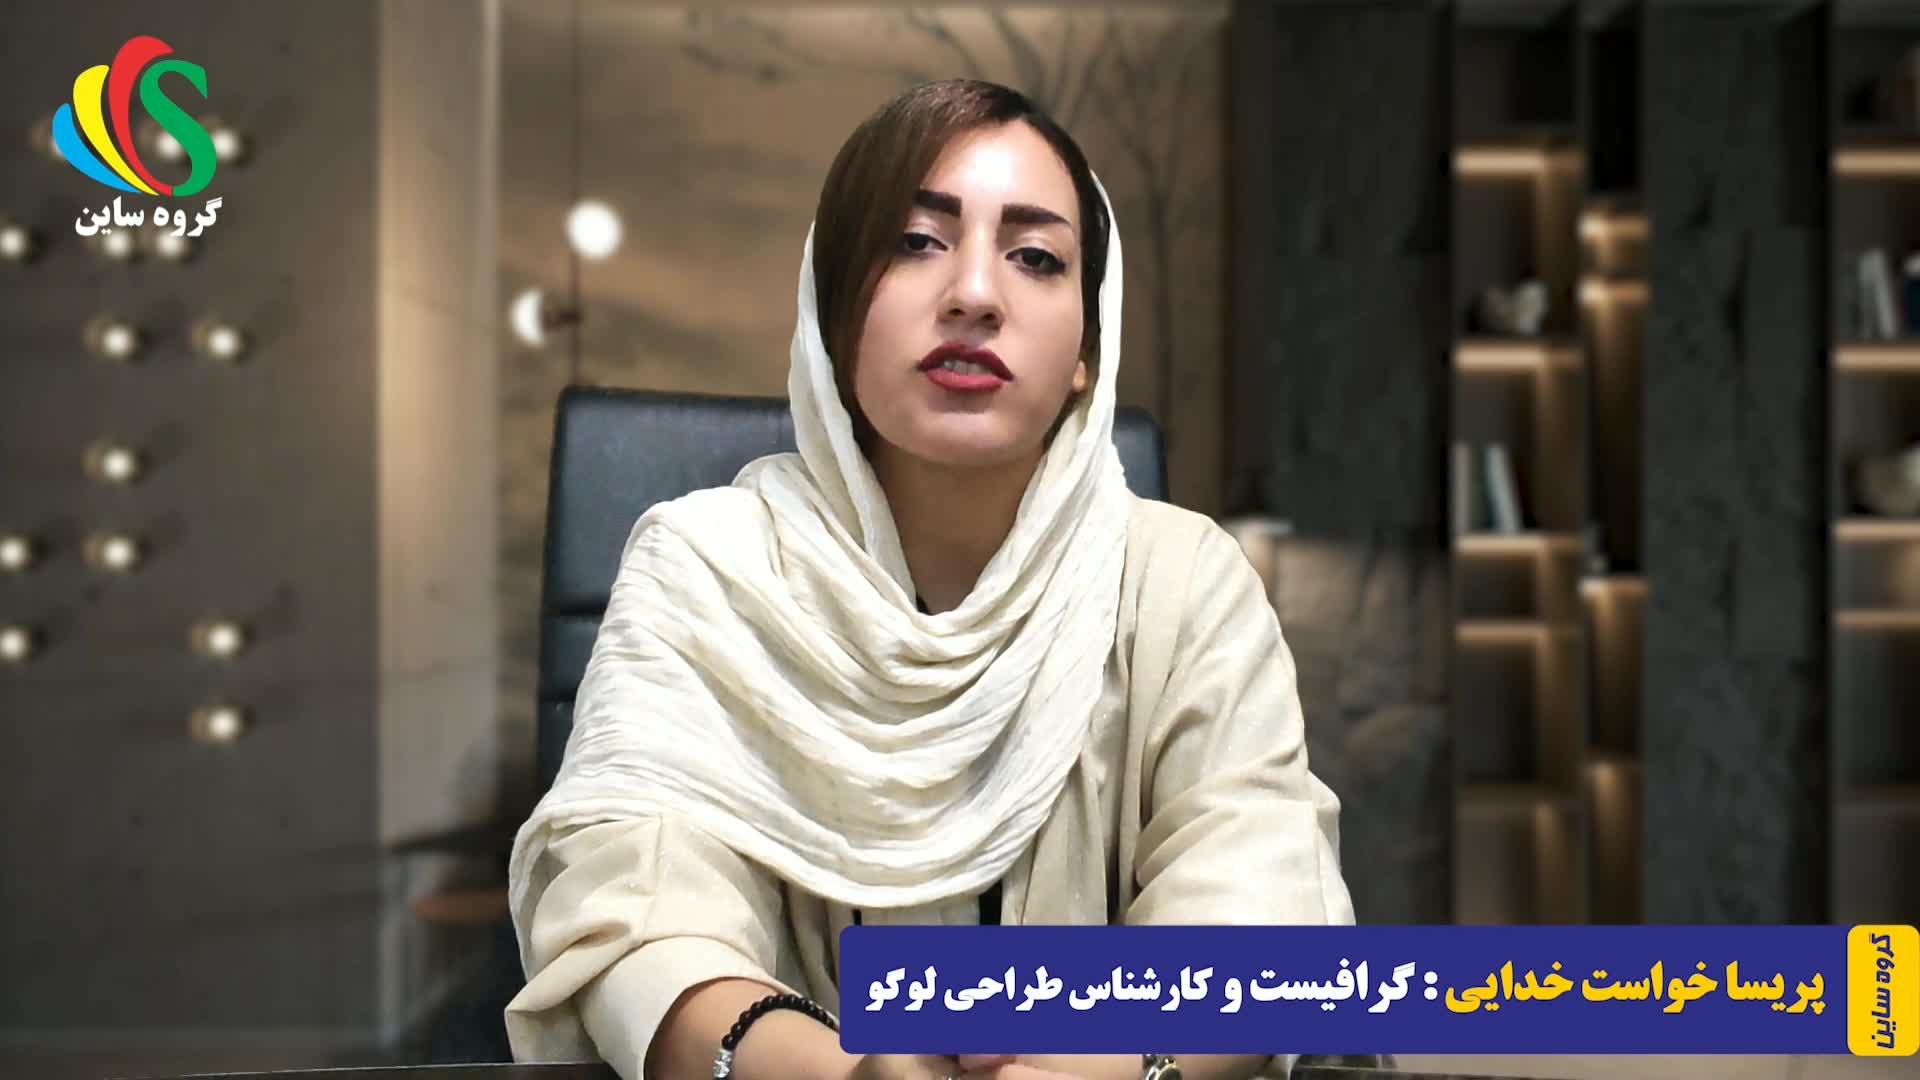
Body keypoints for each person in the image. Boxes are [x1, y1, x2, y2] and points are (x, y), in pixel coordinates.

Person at [503, 78, 1354, 1080]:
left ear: (1089, 345)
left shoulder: (1183, 582)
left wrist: (1121, 1067)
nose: (975, 294)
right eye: (916, 242)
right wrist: (844, 1073)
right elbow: (635, 918)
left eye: (1036, 257)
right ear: (834, 311)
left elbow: (1261, 905)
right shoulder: (706, 569)